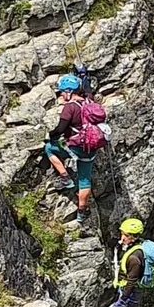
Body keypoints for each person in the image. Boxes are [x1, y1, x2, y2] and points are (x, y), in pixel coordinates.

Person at [43, 74, 99, 223]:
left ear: (68, 91)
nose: (61, 94)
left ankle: (65, 178)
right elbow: (87, 89)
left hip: (75, 147)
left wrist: (51, 135)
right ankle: (81, 213)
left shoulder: (70, 107)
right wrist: (83, 75)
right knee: (85, 180)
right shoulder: (89, 101)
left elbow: (61, 128)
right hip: (91, 147)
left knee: (49, 148)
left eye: (62, 91)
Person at [108, 218, 148, 307]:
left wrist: (123, 299)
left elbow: (131, 281)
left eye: (126, 235)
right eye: (122, 233)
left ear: (134, 237)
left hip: (131, 291)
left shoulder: (134, 258)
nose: (122, 237)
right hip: (131, 289)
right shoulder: (137, 246)